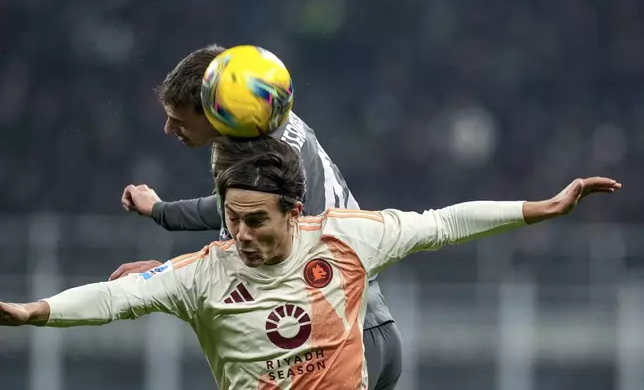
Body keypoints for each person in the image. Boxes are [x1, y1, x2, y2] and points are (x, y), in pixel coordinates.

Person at [0, 136, 621, 390]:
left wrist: (542, 207)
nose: (238, 233)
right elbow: (112, 299)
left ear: (294, 212)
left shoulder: (345, 239)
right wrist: (33, 312)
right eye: (231, 218)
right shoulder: (203, 272)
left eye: (255, 220)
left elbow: (444, 222)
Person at [116, 44, 402, 389]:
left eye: (178, 117)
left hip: (335, 340)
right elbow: (236, 212)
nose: (168, 128)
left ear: (213, 108)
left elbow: (236, 264)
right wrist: (162, 211)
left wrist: (161, 277)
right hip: (375, 325)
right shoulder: (272, 119)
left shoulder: (249, 155)